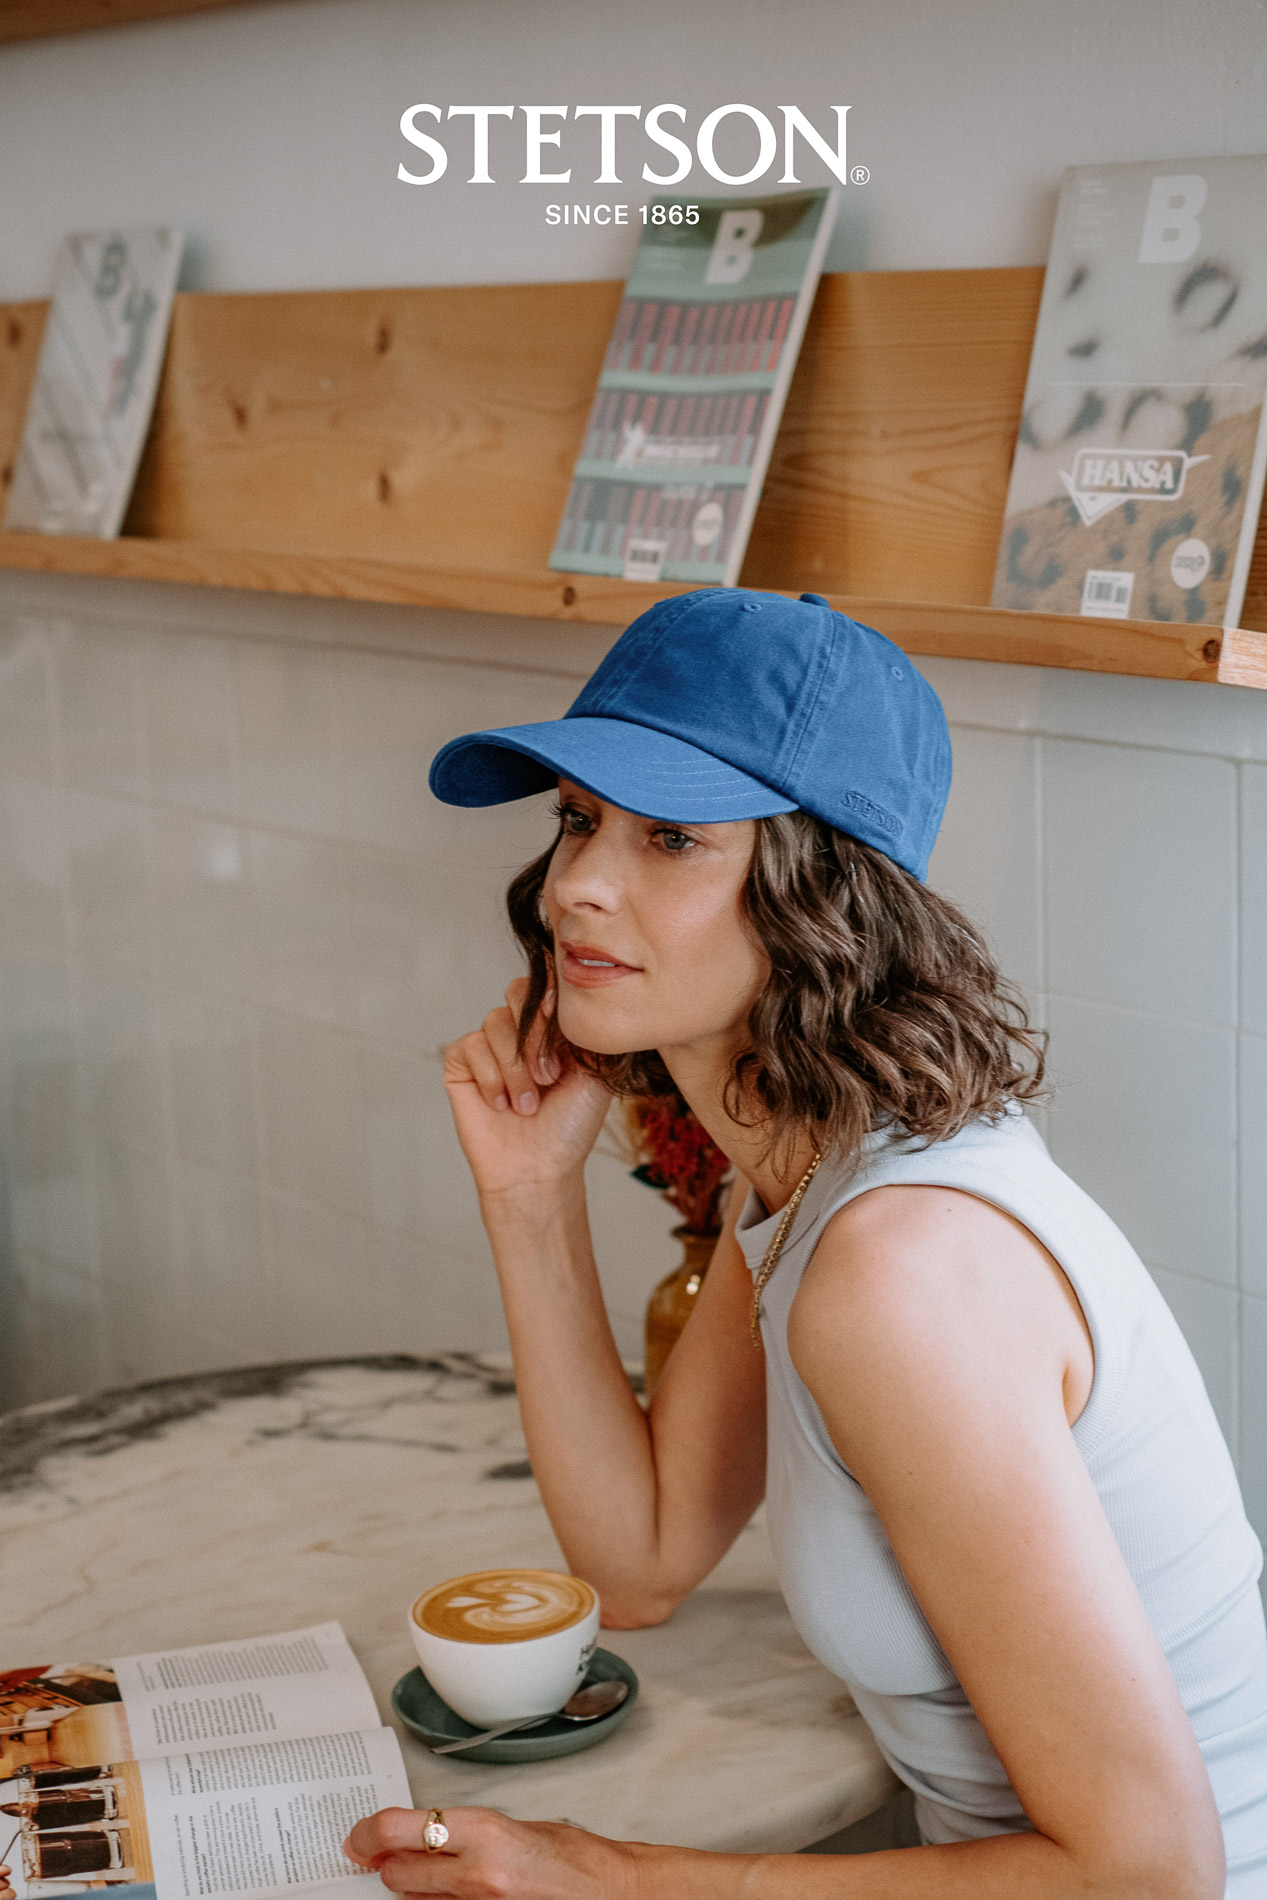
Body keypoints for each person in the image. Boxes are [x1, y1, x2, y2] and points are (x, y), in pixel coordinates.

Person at [344, 589, 1267, 1898]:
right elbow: (640, 1559)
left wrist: (606, 1877)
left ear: (822, 894)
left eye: (671, 836)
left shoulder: (901, 1271)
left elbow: (1150, 1874)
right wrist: (528, 1197)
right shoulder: (810, 1169)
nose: (577, 885)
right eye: (579, 819)